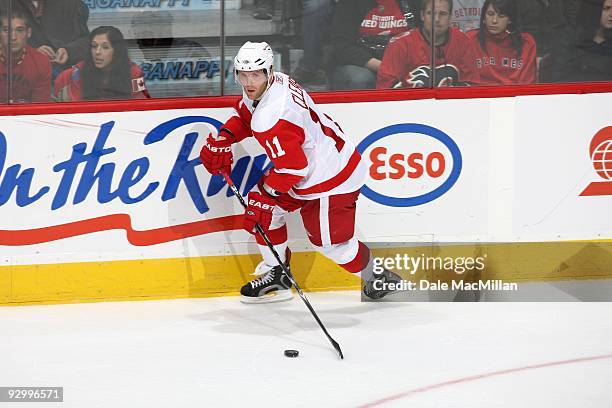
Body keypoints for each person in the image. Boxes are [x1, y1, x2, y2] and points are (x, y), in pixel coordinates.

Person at [199, 41, 401, 303]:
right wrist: (224, 138)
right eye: (243, 75)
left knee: (332, 246)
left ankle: (377, 277)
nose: (249, 82)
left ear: (268, 72)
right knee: (264, 215)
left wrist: (269, 194)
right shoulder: (278, 81)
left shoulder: (272, 116)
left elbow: (294, 168)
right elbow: (246, 115)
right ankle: (278, 274)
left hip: (331, 178)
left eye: (256, 75)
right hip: (307, 167)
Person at [377, 0, 478, 88]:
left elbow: (471, 83)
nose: (437, 19)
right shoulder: (400, 44)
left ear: (450, 17)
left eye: (442, 14)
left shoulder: (463, 41)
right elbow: (386, 88)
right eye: (431, 13)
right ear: (422, 15)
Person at [330, 0, 418, 90]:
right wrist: (386, 67)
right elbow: (341, 46)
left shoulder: (412, 3)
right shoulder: (350, 3)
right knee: (359, 79)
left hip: (403, 62)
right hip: (362, 64)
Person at [54, 26, 149, 102]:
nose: (97, 52)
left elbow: (141, 108)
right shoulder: (70, 76)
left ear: (117, 51)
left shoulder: (133, 73)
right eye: (94, 46)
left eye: (105, 47)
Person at [466, 0, 537, 85]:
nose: (494, 20)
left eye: (501, 16)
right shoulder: (470, 40)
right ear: (484, 17)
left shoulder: (526, 43)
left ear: (510, 19)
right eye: (490, 14)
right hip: (480, 96)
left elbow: (528, 85)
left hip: (516, 96)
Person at [3, 0, 90, 67]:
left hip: (65, 78)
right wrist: (31, 54)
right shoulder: (5, 5)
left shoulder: (71, 4)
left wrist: (69, 51)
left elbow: (86, 42)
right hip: (23, 80)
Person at [0, 6, 50, 103]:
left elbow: (39, 108)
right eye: (6, 30)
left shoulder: (41, 62)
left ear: (29, 33)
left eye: (19, 30)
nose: (13, 37)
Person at [557, 0, 612, 82]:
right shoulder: (572, 38)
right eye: (606, 9)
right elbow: (560, 75)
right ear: (594, 10)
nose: (611, 14)